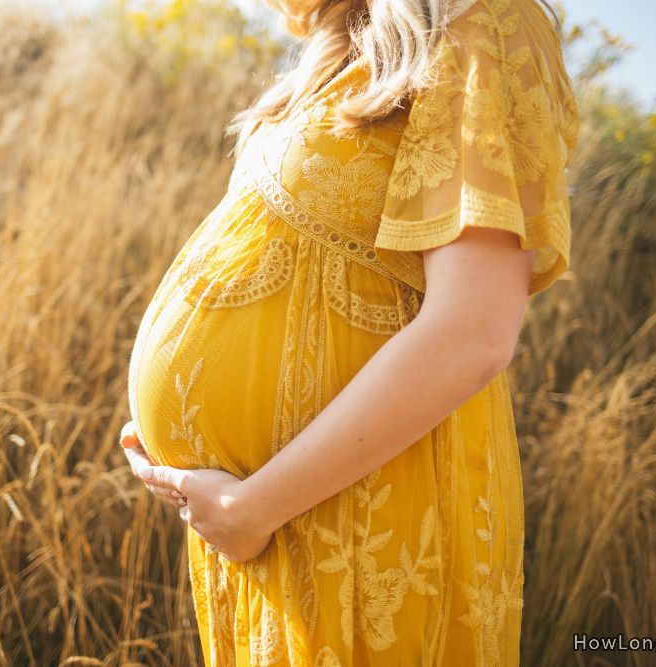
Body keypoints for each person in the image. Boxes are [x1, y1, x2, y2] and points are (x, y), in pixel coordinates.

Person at [120, 0, 580, 663]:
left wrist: (254, 507)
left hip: (366, 520)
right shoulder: (344, 42)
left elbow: (473, 330)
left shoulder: (490, 23)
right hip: (271, 518)